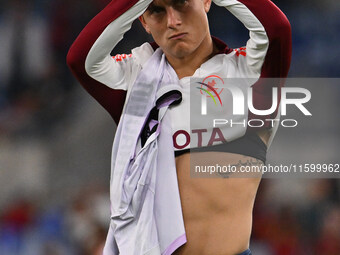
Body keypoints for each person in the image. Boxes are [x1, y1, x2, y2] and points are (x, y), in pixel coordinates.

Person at [67, 0, 292, 254]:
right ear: (143, 21)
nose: (173, 21)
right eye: (157, 11)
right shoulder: (135, 80)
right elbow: (81, 58)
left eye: (181, 3)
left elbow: (276, 28)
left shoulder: (247, 74)